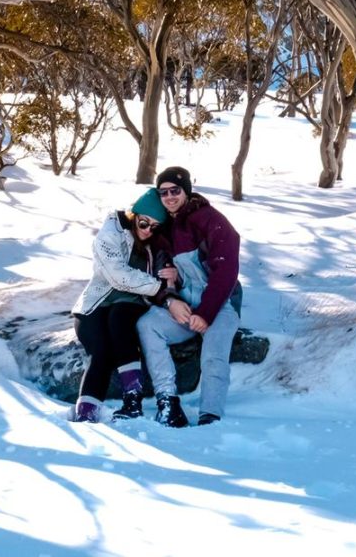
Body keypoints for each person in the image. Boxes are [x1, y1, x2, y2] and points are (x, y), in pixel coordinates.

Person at [137, 165, 242, 428]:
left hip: (218, 308)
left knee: (213, 356)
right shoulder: (165, 228)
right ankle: (166, 399)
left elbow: (226, 270)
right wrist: (172, 298)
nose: (169, 197)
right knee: (147, 325)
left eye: (175, 190)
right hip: (185, 309)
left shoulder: (210, 219)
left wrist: (206, 313)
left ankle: (210, 414)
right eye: (163, 192)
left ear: (186, 191)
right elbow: (163, 274)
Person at [68, 187, 172, 423]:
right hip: (96, 302)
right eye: (144, 223)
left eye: (154, 227)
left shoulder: (157, 242)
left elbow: (167, 269)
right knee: (101, 352)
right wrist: (158, 287)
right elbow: (118, 276)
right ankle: (85, 415)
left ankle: (132, 399)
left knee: (120, 317)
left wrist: (168, 278)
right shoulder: (111, 232)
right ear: (134, 215)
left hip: (133, 302)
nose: (147, 231)